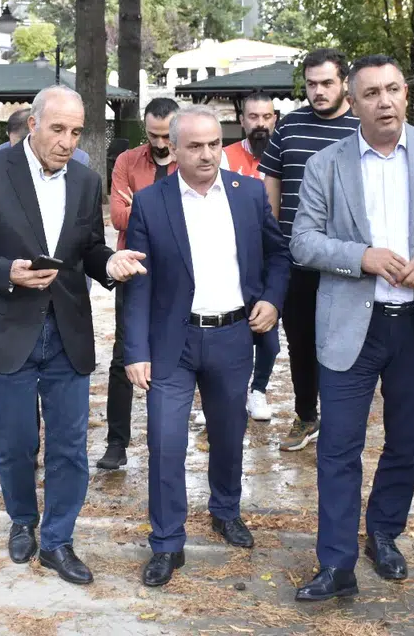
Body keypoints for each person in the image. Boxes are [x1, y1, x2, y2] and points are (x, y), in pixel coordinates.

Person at [289, 55, 414, 602]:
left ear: (405, 95)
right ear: (352, 103)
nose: (385, 101)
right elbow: (303, 242)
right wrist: (362, 257)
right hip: (351, 325)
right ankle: (336, 564)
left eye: (394, 89)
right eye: (372, 93)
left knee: (406, 442)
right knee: (338, 447)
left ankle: (383, 534)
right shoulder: (326, 164)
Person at [0, 85, 147, 586]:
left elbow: (89, 248)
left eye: (76, 132)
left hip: (67, 331)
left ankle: (58, 540)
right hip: (7, 327)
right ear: (33, 124)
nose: (67, 141)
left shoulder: (85, 180)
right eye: (58, 129)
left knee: (70, 446)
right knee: (15, 442)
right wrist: (5, 271)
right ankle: (22, 519)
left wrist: (110, 263)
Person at [122, 105, 290, 587]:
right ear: (172, 149)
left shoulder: (248, 193)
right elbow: (138, 284)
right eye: (194, 146)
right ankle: (166, 541)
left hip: (233, 336)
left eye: (214, 144)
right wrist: (135, 350)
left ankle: (226, 510)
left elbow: (279, 255)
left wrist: (272, 300)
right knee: (165, 442)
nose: (207, 154)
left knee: (229, 433)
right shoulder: (151, 203)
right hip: (171, 342)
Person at [258, 48, 360, 453]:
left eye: (327, 83)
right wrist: (271, 243)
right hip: (295, 258)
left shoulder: (362, 128)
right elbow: (272, 183)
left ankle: (338, 420)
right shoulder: (290, 126)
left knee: (341, 343)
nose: (318, 91)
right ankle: (306, 415)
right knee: (299, 341)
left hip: (345, 261)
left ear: (344, 83)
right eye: (312, 84)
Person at [98, 97, 181, 471]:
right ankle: (116, 442)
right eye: (153, 135)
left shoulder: (189, 159)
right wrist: (165, 207)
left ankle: (164, 440)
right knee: (123, 355)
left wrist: (142, 205)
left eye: (166, 136)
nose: (160, 143)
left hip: (177, 271)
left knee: (173, 356)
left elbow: (195, 212)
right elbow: (118, 217)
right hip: (133, 269)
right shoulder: (127, 161)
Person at [223, 91, 282, 421]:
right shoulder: (224, 156)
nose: (261, 124)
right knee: (227, 334)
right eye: (254, 117)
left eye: (267, 117)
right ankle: (220, 395)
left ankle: (258, 390)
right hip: (231, 261)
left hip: (271, 260)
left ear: (275, 119)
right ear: (242, 121)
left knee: (269, 339)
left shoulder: (285, 155)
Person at [0, 108, 89, 165]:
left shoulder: (77, 158)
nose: (21, 151)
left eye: (27, 145)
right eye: (15, 146)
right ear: (7, 134)